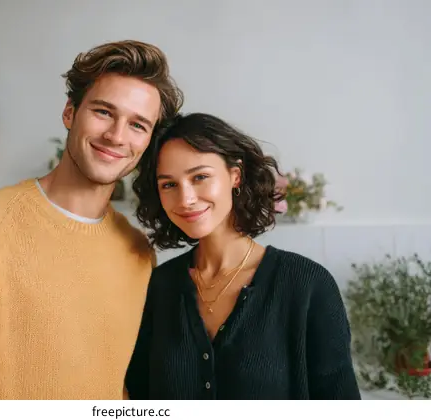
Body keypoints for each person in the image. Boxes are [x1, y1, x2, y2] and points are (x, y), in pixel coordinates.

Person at [0, 40, 184, 400]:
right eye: (103, 112)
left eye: (137, 125)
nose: (116, 136)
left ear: (148, 141)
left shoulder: (136, 252)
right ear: (70, 112)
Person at [124, 113, 361, 399]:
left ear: (235, 175)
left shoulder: (307, 285)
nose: (185, 199)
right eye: (169, 184)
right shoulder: (159, 287)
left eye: (200, 177)